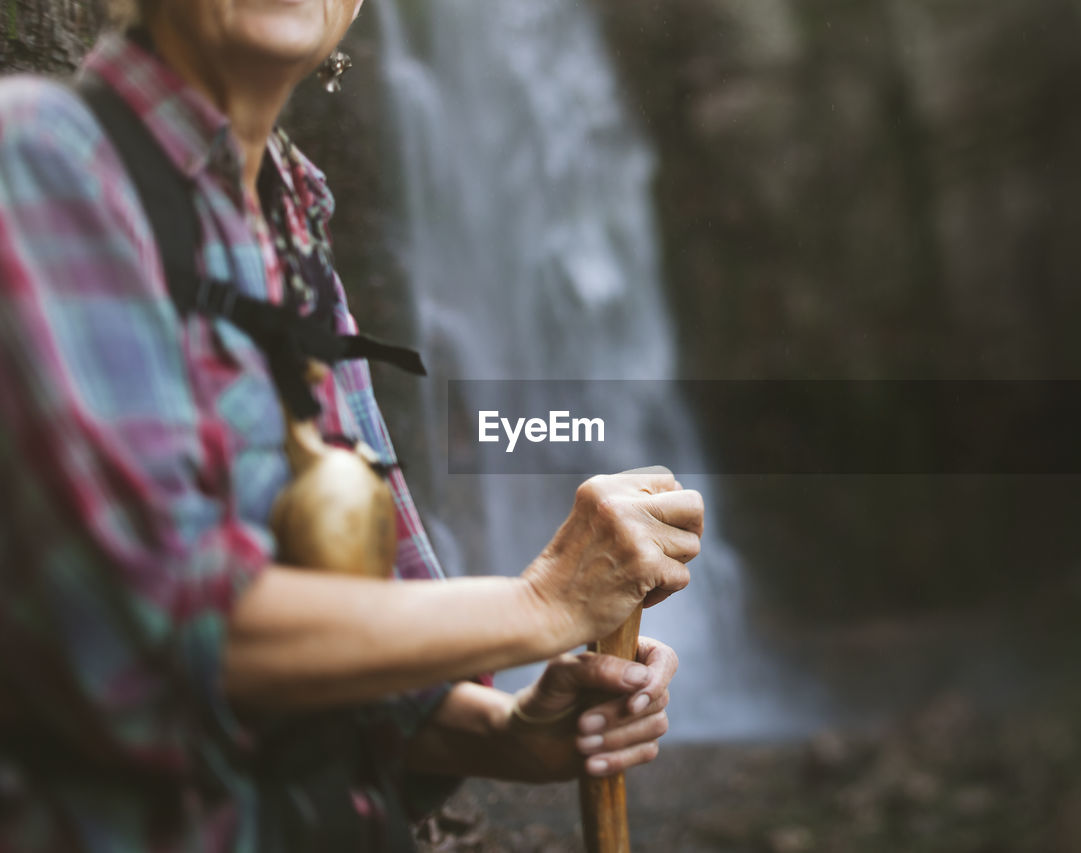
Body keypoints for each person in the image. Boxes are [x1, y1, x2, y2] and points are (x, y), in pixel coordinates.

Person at [0, 0, 703, 849]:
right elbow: (158, 624)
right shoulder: (40, 157)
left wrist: (505, 731)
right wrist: (545, 600)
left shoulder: (292, 220)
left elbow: (370, 625)